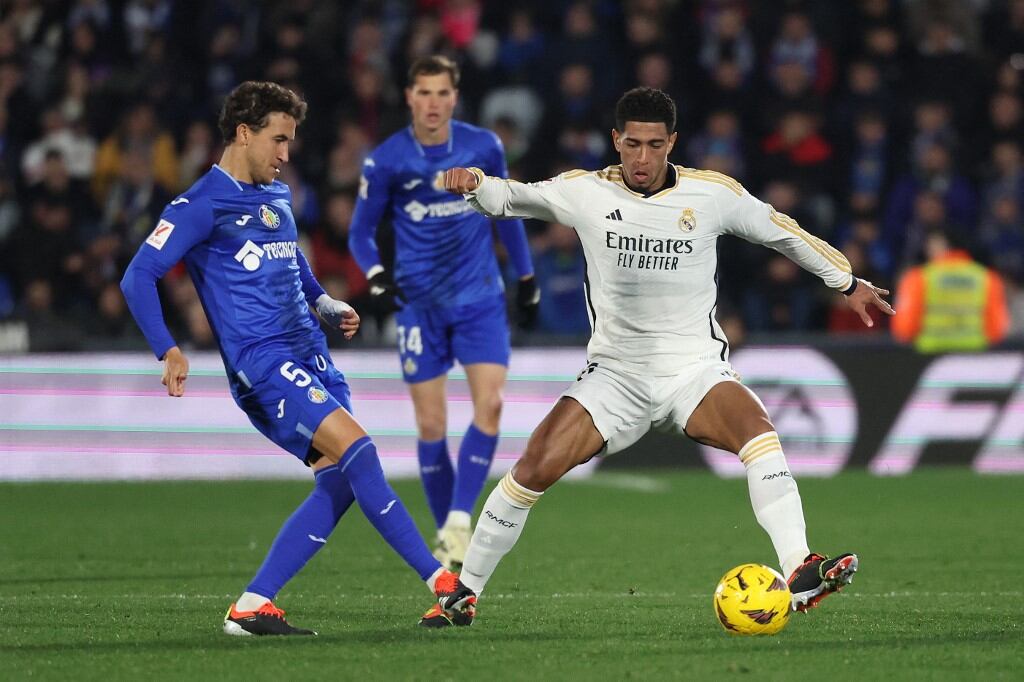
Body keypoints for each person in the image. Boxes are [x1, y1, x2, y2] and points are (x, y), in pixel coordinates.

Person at [424, 87, 895, 627]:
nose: (642, 159)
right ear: (615, 142)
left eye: (654, 145)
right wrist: (476, 184)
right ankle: (463, 595)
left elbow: (781, 232)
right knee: (532, 468)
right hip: (615, 375)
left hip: (693, 369)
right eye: (631, 145)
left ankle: (800, 568)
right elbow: (513, 197)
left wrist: (846, 280)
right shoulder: (586, 192)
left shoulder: (712, 195)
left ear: (672, 142)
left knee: (758, 431)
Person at [120, 81, 474, 636]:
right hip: (263, 363)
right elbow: (137, 275)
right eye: (278, 140)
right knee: (359, 450)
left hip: (313, 355)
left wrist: (327, 304)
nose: (286, 154)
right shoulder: (198, 205)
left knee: (338, 482)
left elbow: (294, 268)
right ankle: (440, 582)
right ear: (243, 132)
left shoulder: (276, 194)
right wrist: (167, 347)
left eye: (290, 142)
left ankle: (253, 605)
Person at [349, 55, 539, 569]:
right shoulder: (386, 160)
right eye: (423, 93)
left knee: (491, 406)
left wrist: (525, 278)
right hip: (419, 306)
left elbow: (508, 211)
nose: (433, 103)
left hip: (479, 298)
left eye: (442, 93)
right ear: (409, 97)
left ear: (455, 98)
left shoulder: (483, 147)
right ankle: (448, 534)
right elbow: (360, 232)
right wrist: (376, 277)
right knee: (431, 425)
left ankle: (458, 521)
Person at [891, 228, 1009, 353]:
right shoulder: (987, 278)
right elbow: (997, 330)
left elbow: (904, 329)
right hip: (973, 355)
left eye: (931, 243)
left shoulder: (918, 278)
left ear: (943, 244)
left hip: (931, 356)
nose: (927, 249)